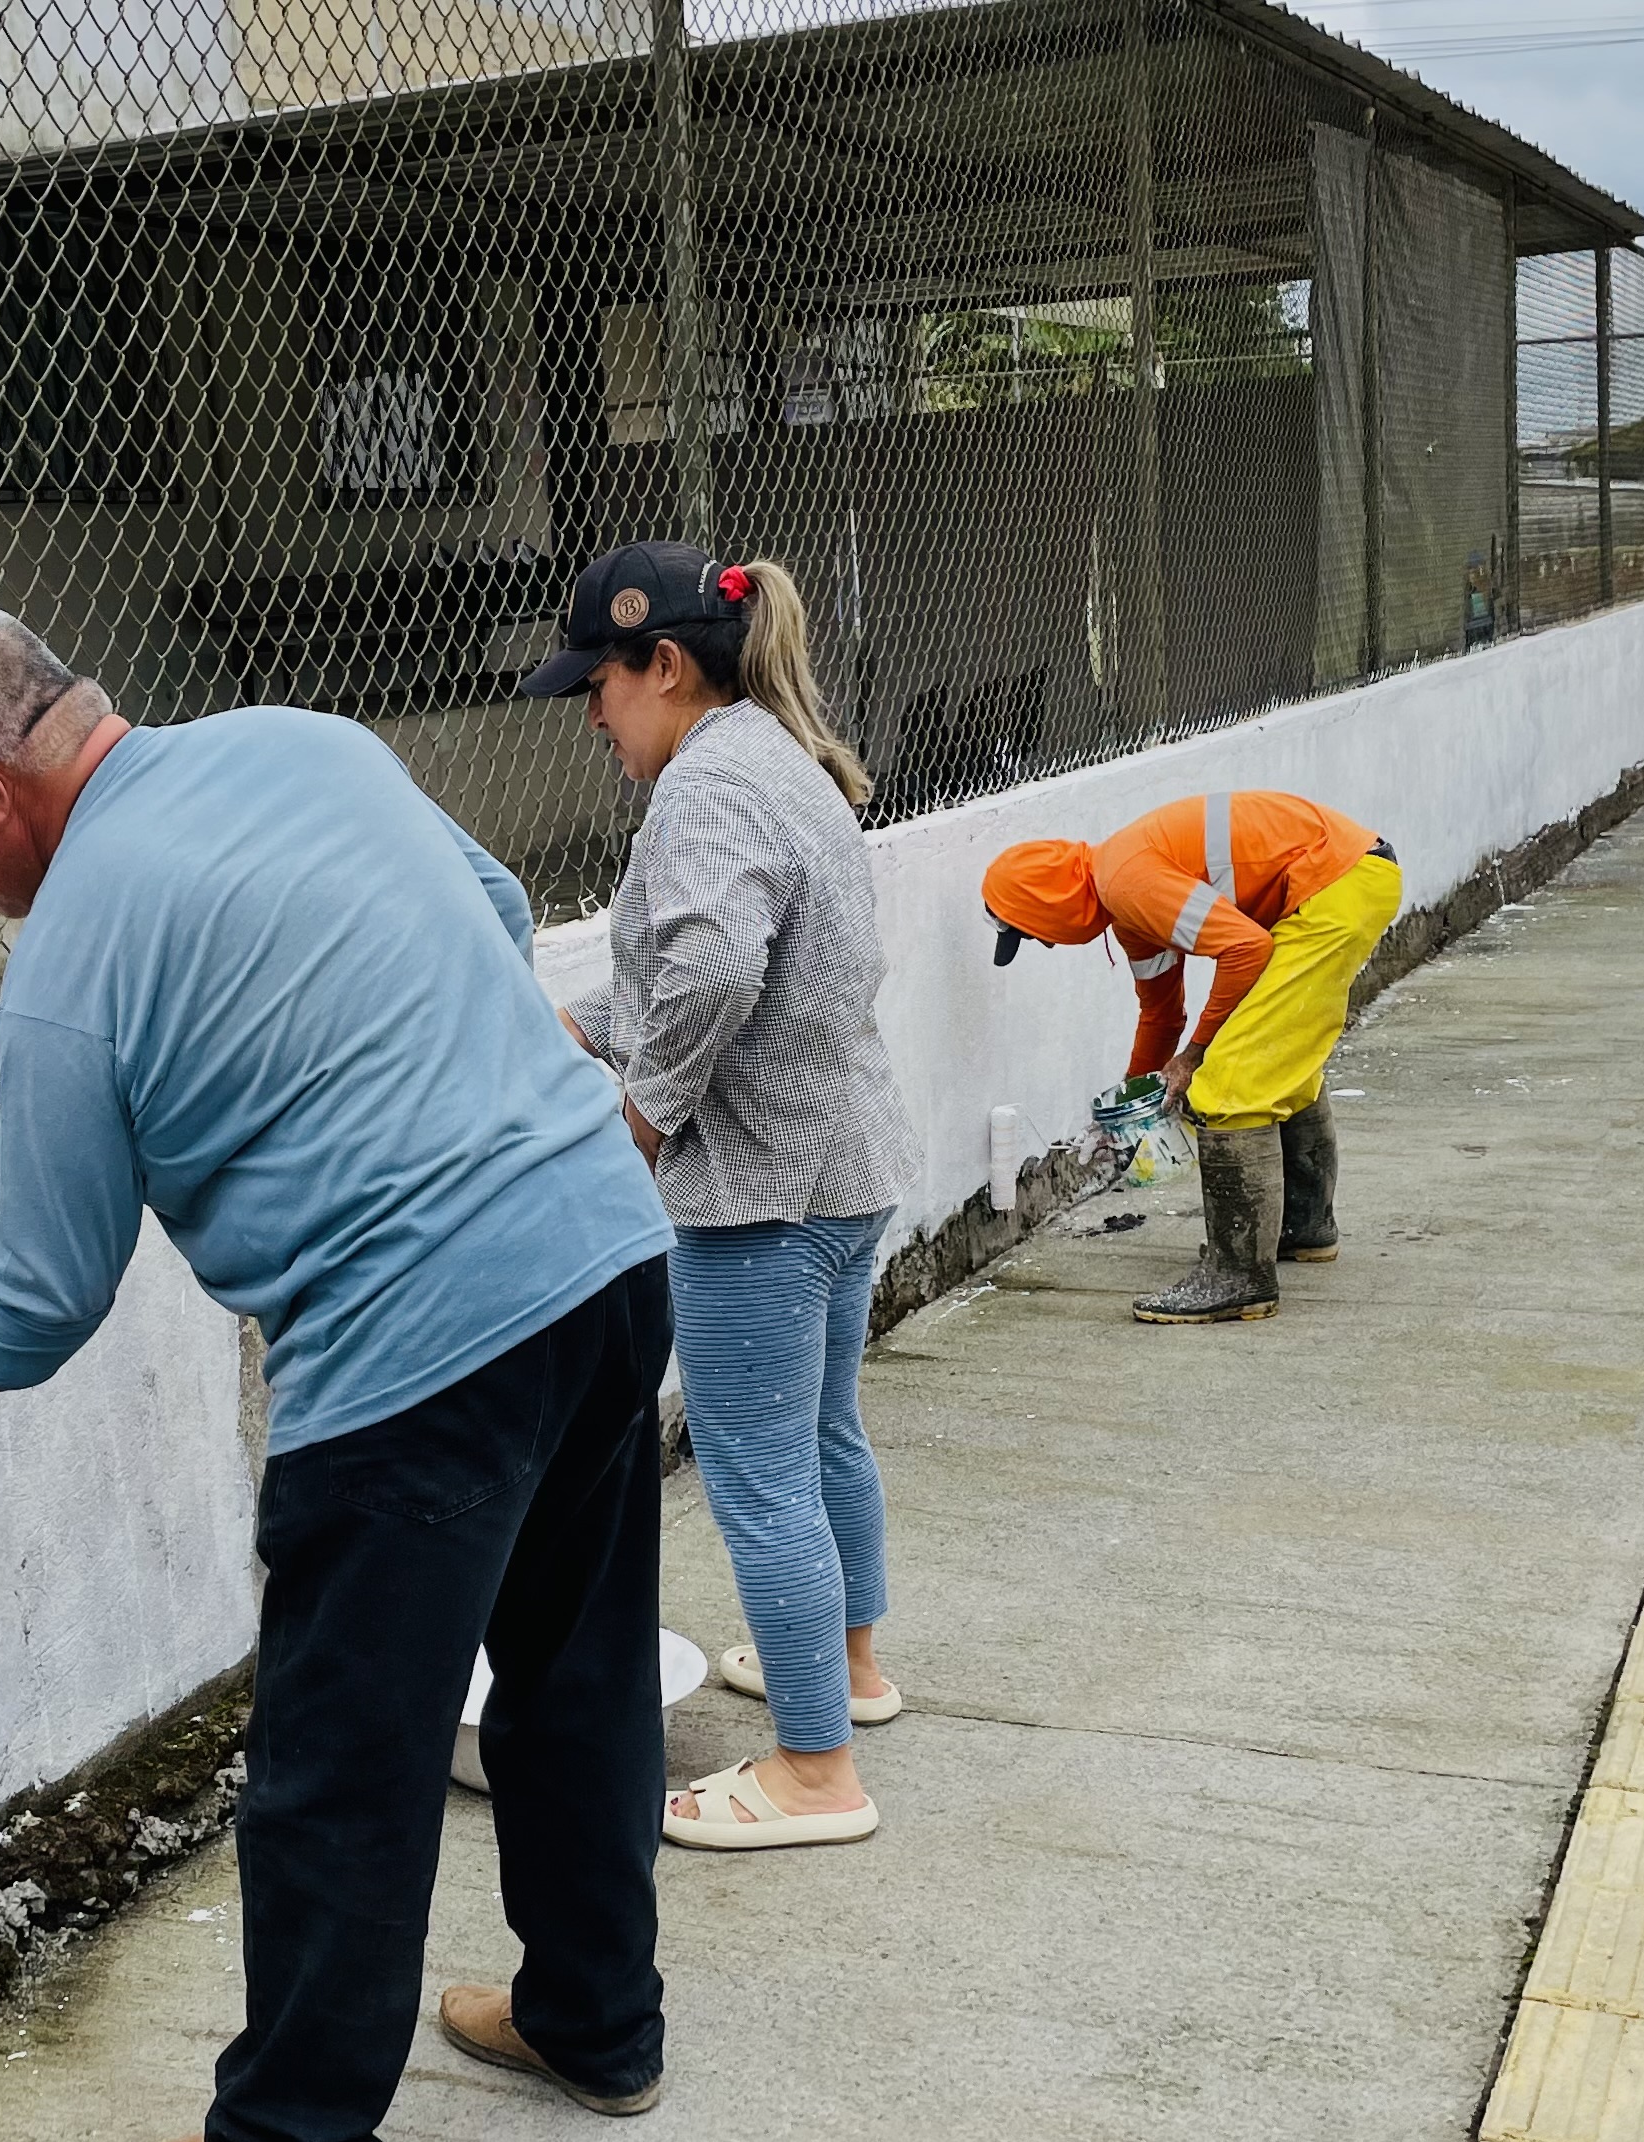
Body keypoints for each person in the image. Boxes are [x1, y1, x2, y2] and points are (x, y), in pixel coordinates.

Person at [0, 604, 677, 2142]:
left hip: (416, 1359)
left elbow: (44, 1288)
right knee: (575, 1671)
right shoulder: (303, 745)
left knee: (338, 1766)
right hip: (600, 1250)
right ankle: (596, 2020)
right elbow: (497, 911)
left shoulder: (68, 972)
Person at [519, 541, 914, 1854]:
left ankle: (816, 1773)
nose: (592, 715)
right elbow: (707, 966)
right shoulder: (777, 758)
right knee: (823, 1434)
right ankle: (849, 1668)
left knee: (756, 1474)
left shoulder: (705, 787)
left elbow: (715, 971)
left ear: (665, 666)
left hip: (761, 1195)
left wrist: (640, 1123)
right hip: (843, 1167)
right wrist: (578, 1023)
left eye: (599, 686)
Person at [981, 791, 1403, 1325]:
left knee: (1231, 1082)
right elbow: (1162, 1015)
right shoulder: (1126, 906)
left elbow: (1246, 949)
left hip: (1337, 885)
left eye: (1032, 931)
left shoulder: (1127, 881)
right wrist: (1126, 1113)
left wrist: (1195, 1056)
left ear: (1046, 903)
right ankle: (1303, 1229)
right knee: (1274, 1063)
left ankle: (1240, 1278)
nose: (1044, 945)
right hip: (1343, 880)